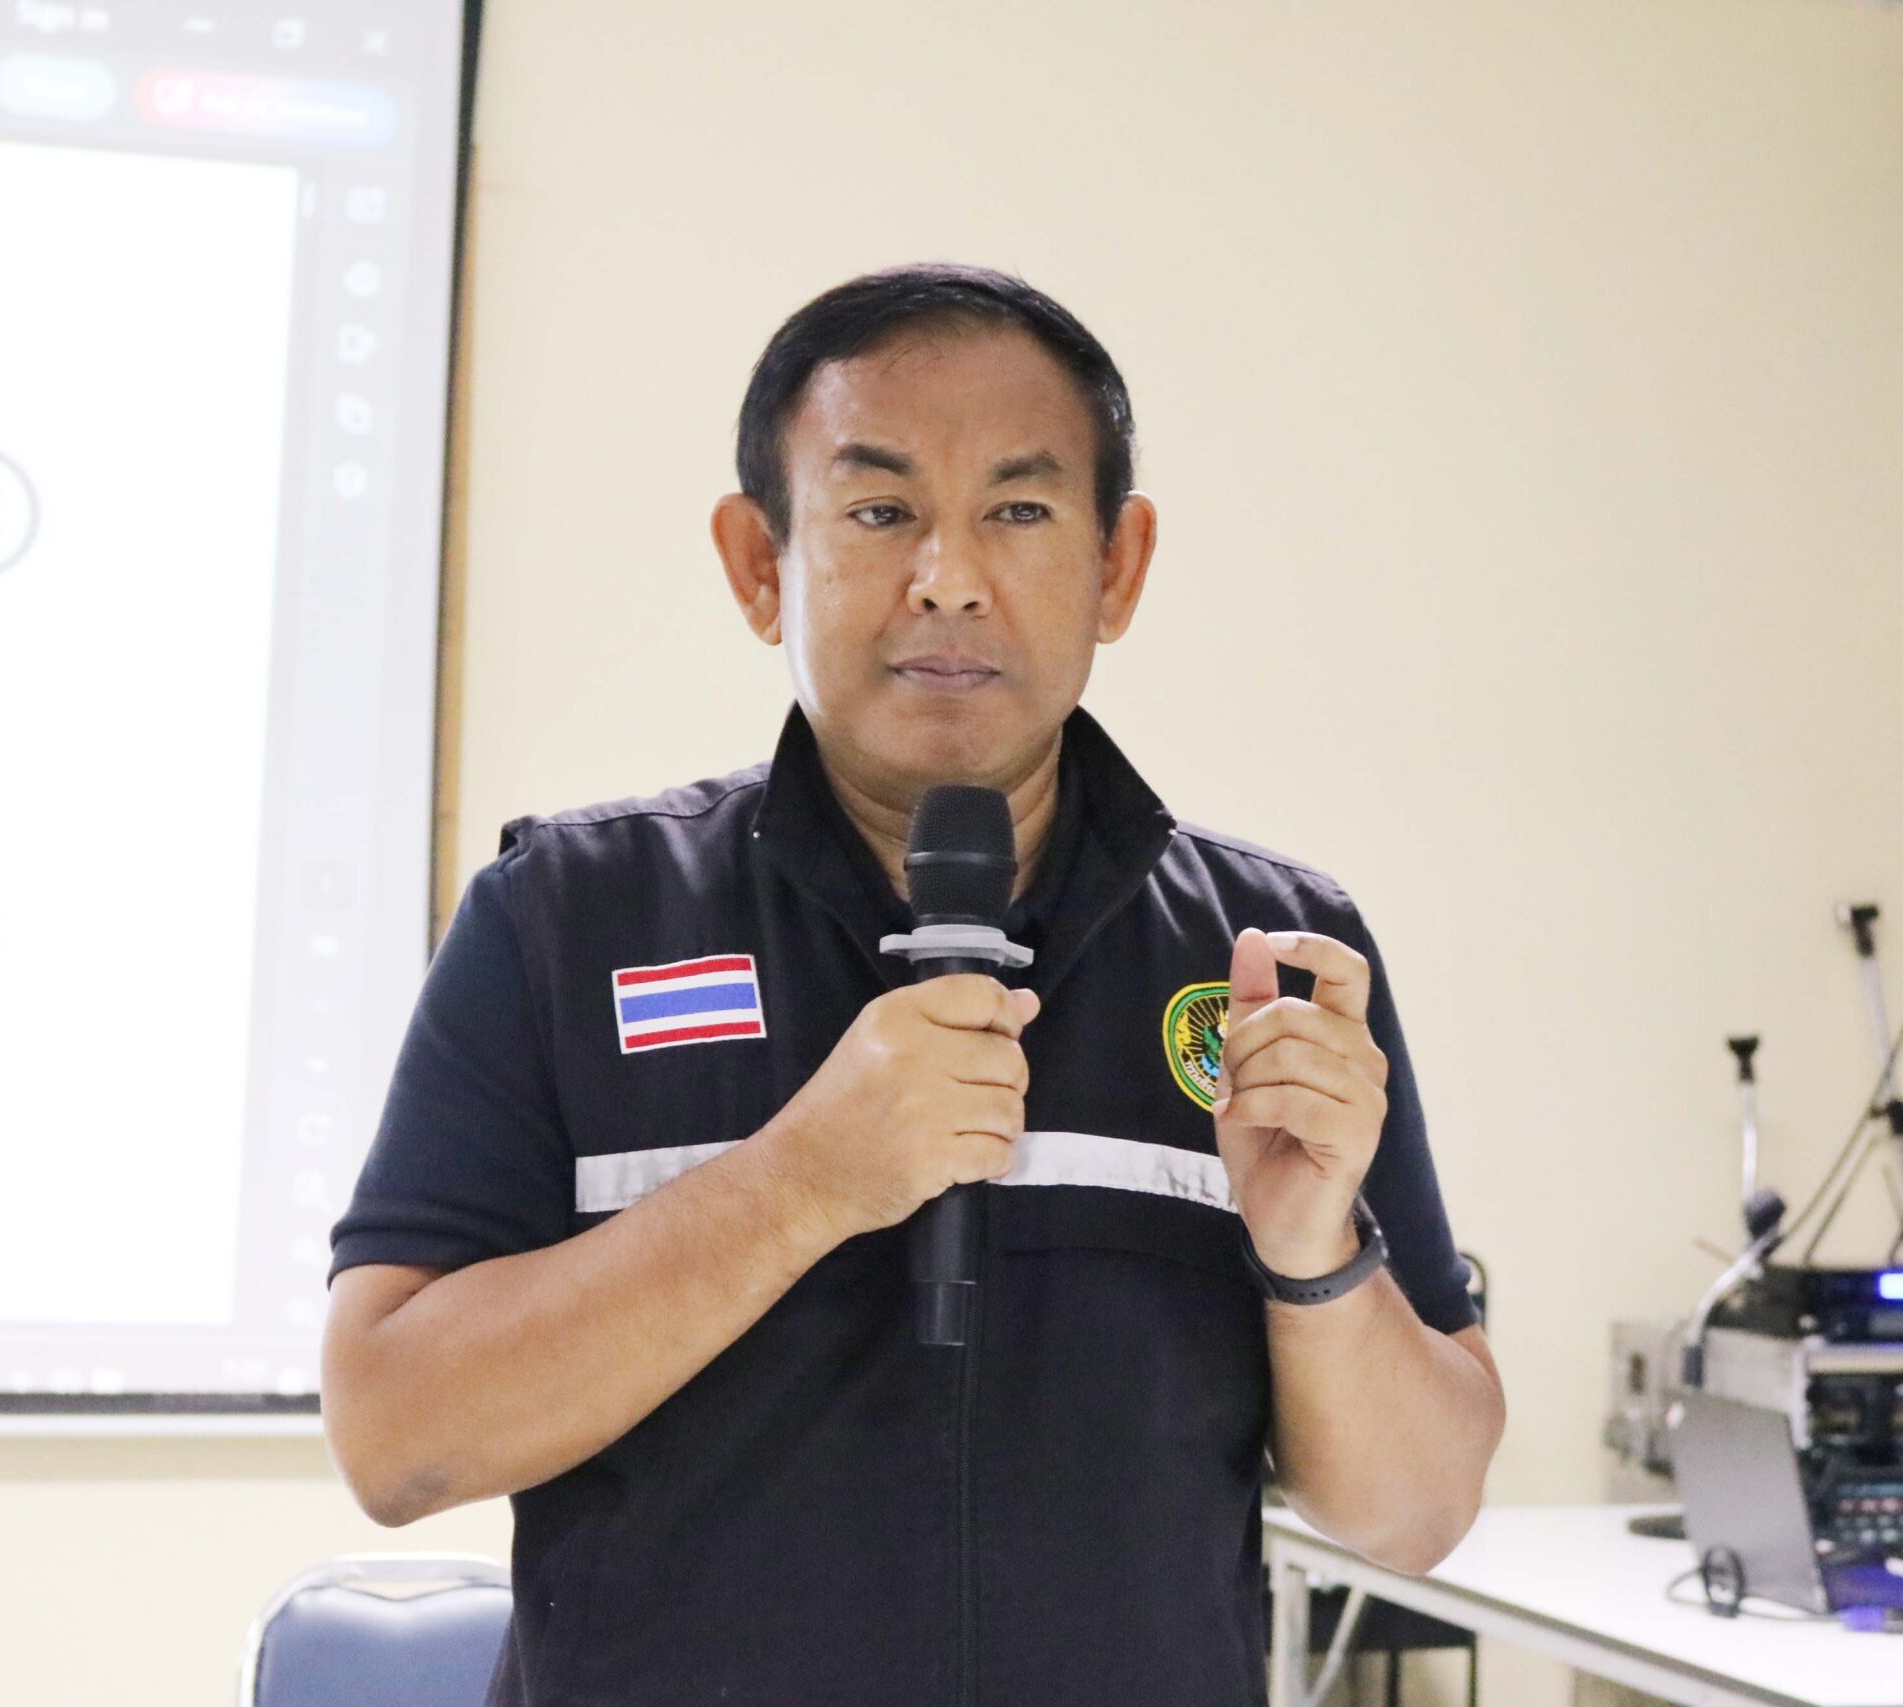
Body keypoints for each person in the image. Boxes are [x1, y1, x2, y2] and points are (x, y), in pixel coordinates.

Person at [323, 262, 1505, 1706]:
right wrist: (799, 1185)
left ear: (1118, 566)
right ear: (759, 563)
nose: (949, 576)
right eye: (880, 512)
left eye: (1019, 510)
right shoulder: (566, 918)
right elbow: (395, 1442)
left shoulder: (1274, 962)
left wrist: (1314, 1251)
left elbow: (1415, 1513)